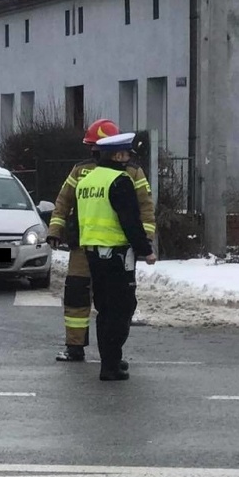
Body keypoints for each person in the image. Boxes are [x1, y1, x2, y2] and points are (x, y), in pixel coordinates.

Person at [47, 118, 154, 363]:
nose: (93, 153)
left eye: (95, 148)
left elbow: (145, 208)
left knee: (117, 304)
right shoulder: (80, 170)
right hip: (83, 247)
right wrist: (55, 229)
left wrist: (144, 241)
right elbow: (63, 202)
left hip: (118, 250)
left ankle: (113, 354)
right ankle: (75, 347)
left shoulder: (132, 172)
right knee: (77, 297)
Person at [74, 130, 156, 381]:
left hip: (93, 254)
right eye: (127, 155)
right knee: (122, 309)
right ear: (118, 155)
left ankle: (110, 362)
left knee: (105, 309)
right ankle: (110, 364)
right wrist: (146, 250)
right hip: (117, 255)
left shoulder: (87, 181)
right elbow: (130, 220)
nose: (129, 160)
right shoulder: (120, 181)